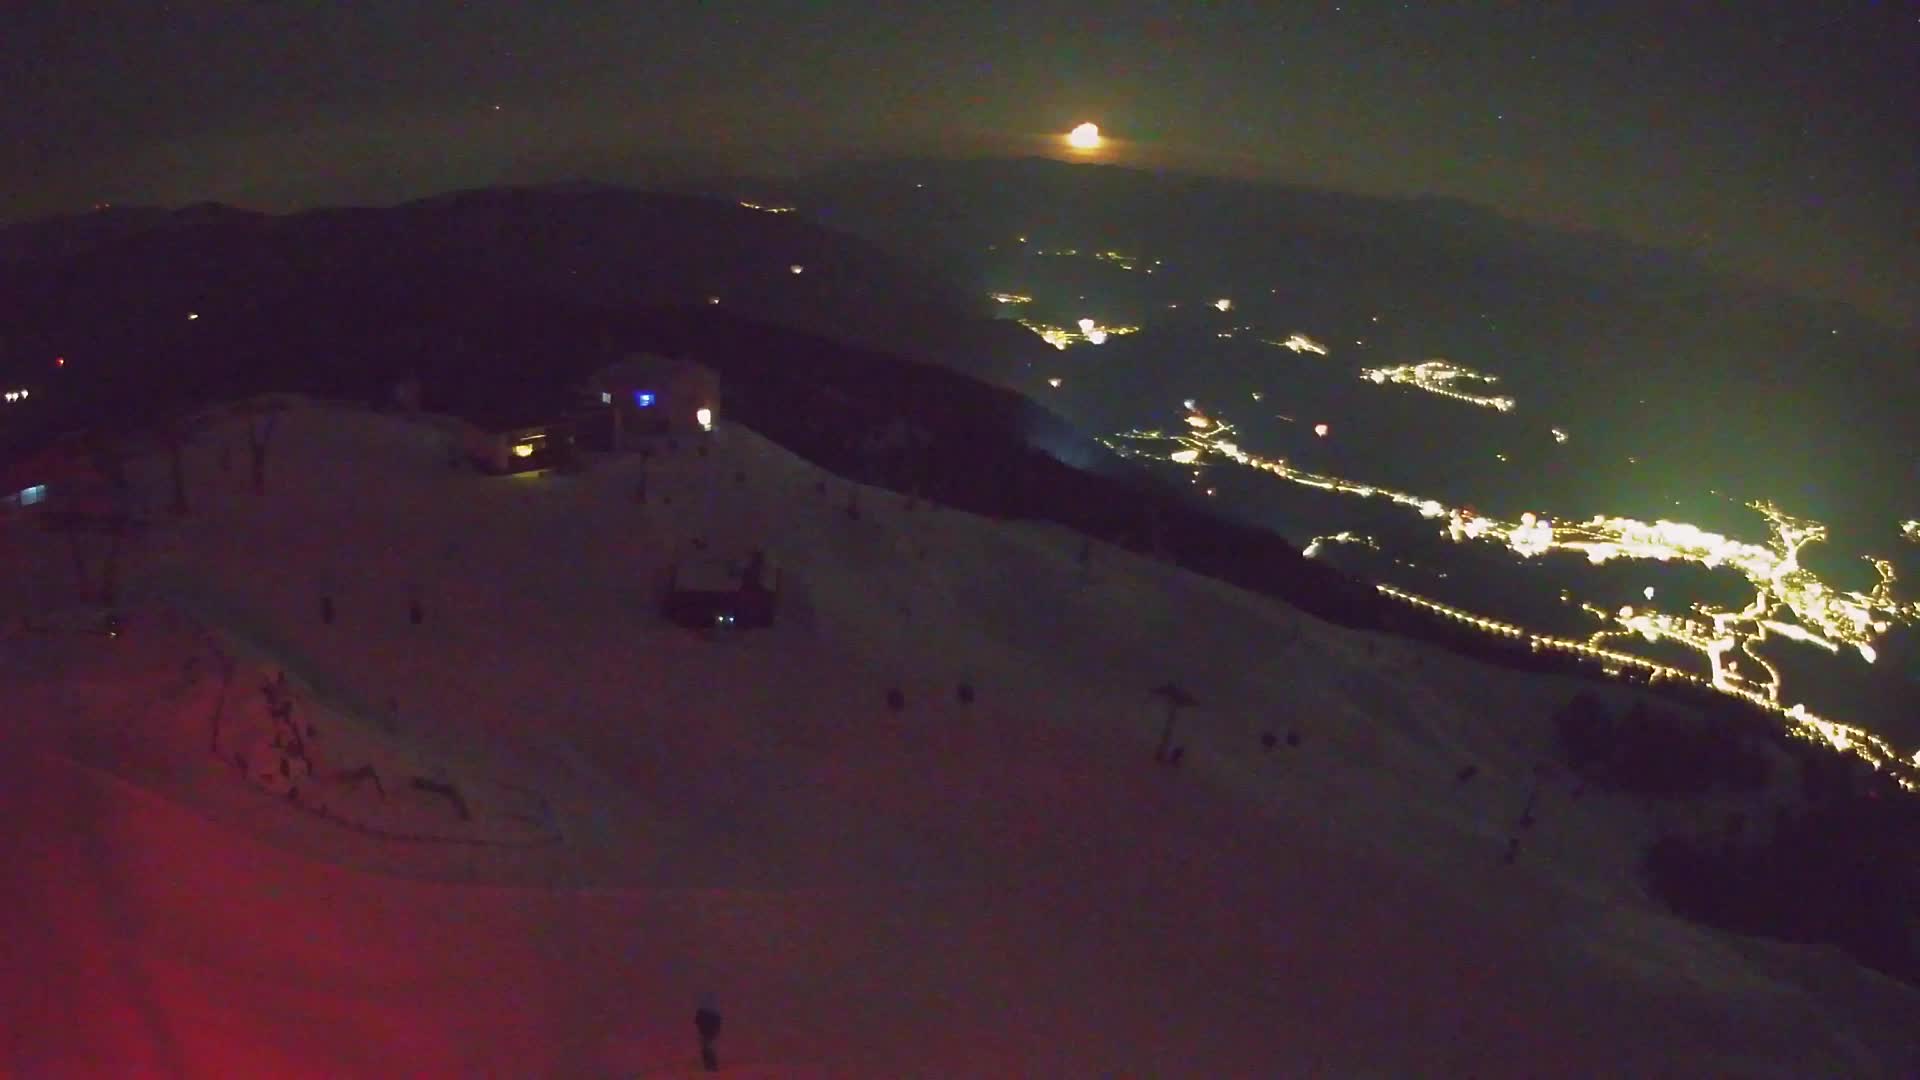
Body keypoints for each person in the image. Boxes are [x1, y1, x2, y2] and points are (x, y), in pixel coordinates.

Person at [695, 995, 722, 1072]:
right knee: (707, 1048)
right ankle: (710, 1066)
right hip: (707, 1032)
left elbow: (697, 1021)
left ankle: (710, 1066)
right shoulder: (712, 1013)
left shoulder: (704, 1013)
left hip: (707, 1032)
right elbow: (697, 1022)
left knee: (707, 1048)